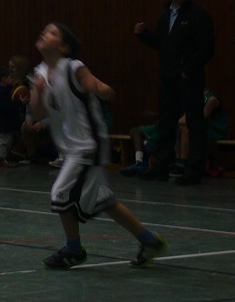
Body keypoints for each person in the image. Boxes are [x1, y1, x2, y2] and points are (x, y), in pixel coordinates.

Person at [31, 22, 166, 269]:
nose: (44, 33)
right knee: (104, 200)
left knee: (60, 193)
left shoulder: (73, 67)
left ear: (64, 47)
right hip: (72, 146)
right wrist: (38, 94)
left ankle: (74, 250)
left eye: (52, 32)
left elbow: (107, 91)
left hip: (88, 143)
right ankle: (150, 241)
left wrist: (97, 88)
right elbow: (38, 114)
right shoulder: (39, 73)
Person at [134, 0, 215, 185]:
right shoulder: (166, 14)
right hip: (168, 77)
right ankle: (161, 166)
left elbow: (206, 47)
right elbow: (162, 42)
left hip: (188, 78)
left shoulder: (198, 15)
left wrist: (189, 70)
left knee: (194, 123)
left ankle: (193, 170)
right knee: (166, 122)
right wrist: (143, 35)